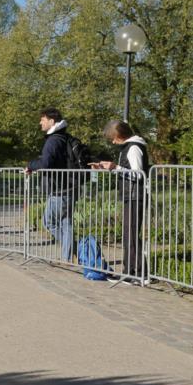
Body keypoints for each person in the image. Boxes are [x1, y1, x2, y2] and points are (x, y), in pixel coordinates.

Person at [90, 120, 150, 280]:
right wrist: (109, 168)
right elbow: (127, 171)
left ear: (120, 135)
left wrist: (115, 167)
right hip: (130, 194)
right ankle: (130, 271)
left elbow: (138, 174)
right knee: (128, 234)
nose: (112, 141)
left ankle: (136, 273)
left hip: (135, 195)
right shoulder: (129, 148)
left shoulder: (134, 148)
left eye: (113, 138)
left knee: (130, 234)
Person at [24, 108, 80, 262]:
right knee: (65, 222)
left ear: (51, 121)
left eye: (42, 119)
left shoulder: (53, 140)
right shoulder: (64, 137)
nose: (40, 122)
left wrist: (30, 164)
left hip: (59, 189)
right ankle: (68, 256)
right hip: (69, 186)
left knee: (48, 222)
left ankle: (75, 250)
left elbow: (46, 163)